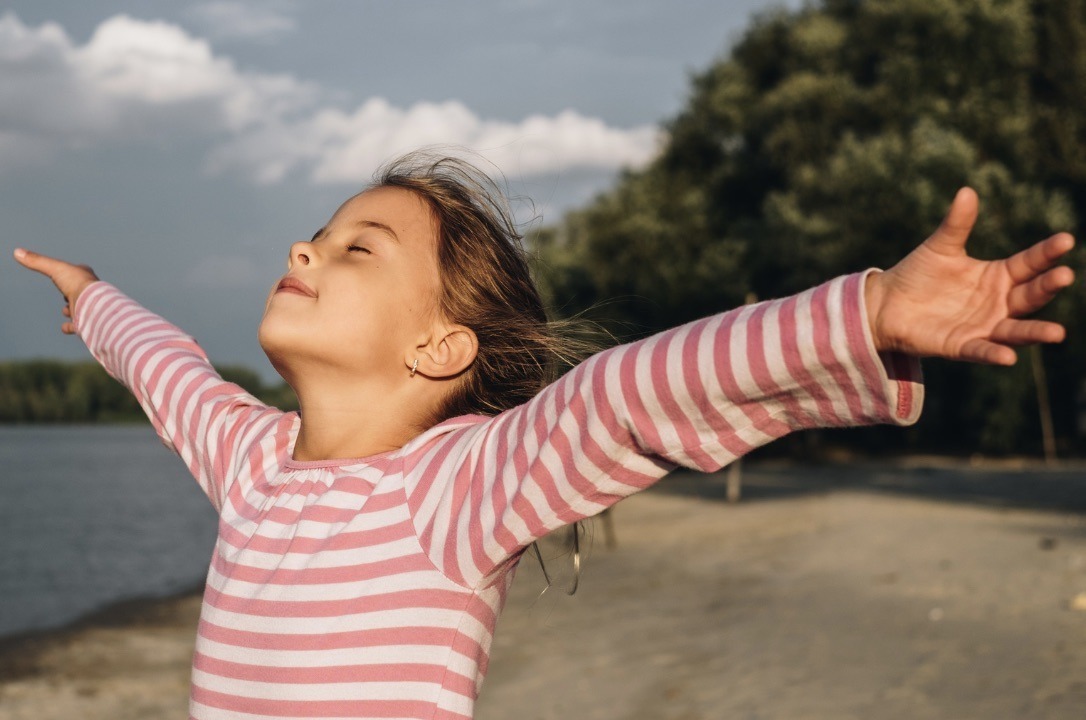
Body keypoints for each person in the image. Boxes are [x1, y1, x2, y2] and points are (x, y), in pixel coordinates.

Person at [14, 153, 1075, 720]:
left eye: (357, 247)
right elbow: (167, 372)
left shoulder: (460, 487)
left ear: (440, 346)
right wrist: (95, 299)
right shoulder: (251, 464)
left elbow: (629, 395)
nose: (306, 245)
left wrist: (867, 312)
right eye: (319, 233)